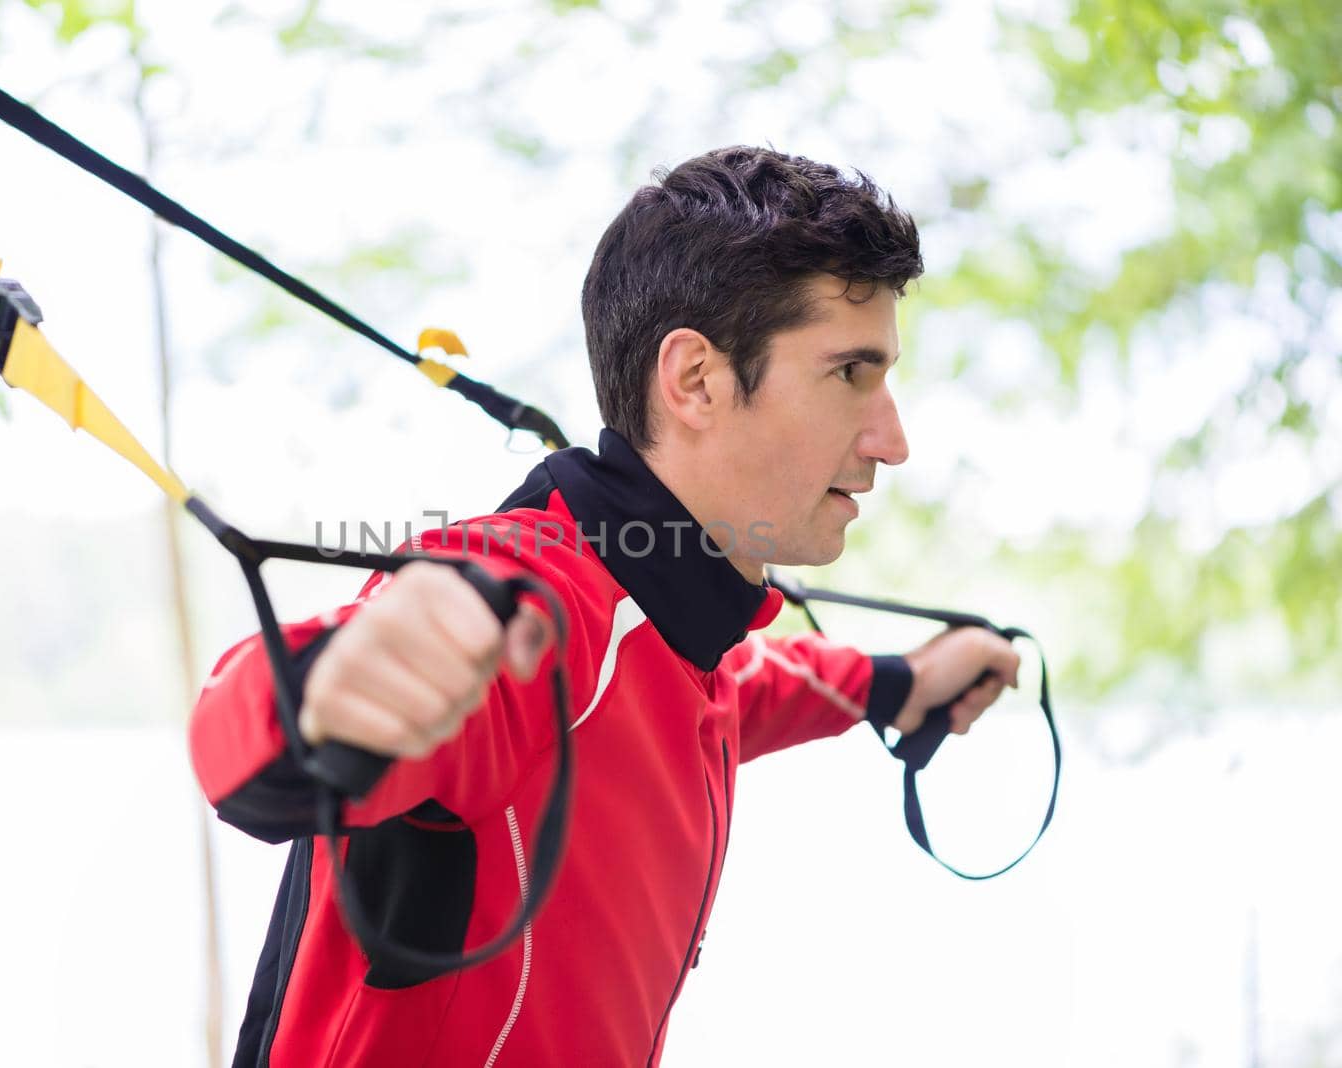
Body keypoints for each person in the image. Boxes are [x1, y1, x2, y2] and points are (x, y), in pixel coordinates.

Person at [189, 145, 1022, 1067]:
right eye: (850, 374)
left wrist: (902, 682)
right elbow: (245, 728)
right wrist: (316, 698)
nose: (892, 439)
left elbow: (737, 687)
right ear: (696, 380)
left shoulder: (670, 619)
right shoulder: (525, 597)